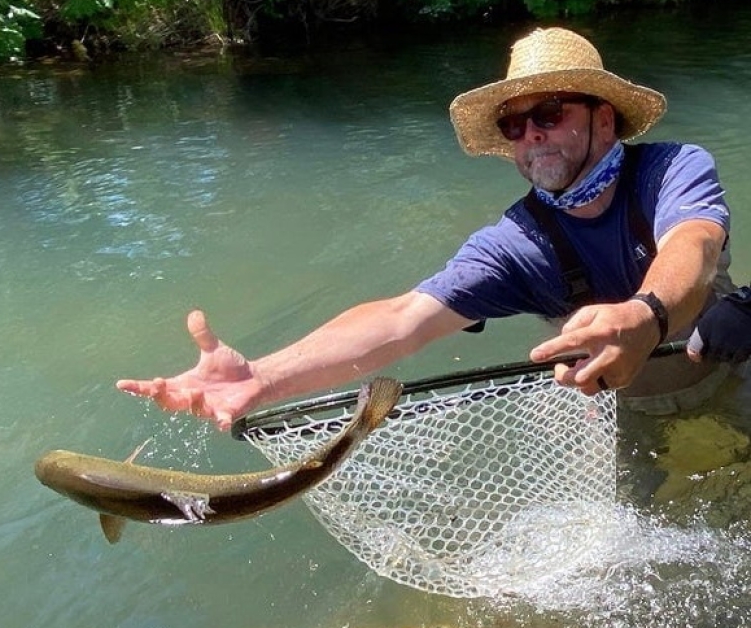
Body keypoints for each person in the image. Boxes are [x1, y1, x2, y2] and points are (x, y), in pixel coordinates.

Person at [117, 26, 739, 428]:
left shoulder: (671, 169)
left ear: (604, 120)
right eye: (513, 125)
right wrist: (263, 377)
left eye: (549, 112)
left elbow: (694, 243)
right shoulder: (518, 243)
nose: (531, 136)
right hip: (628, 406)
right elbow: (401, 319)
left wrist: (645, 313)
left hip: (733, 364)